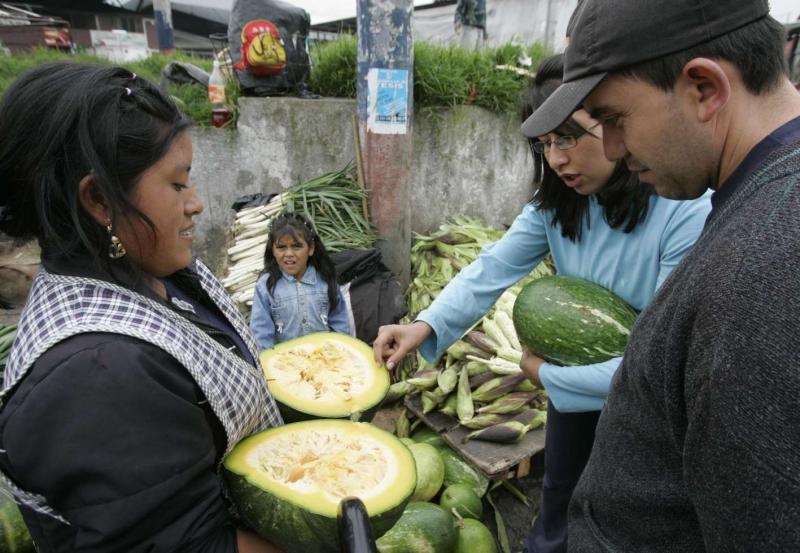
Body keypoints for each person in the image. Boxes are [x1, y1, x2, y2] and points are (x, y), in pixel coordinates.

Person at [374, 54, 710, 553]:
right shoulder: (557, 203)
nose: (556, 159)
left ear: (615, 125)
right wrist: (424, 326)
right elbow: (493, 268)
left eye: (568, 137)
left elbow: (653, 364)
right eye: (545, 144)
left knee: (625, 515)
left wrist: (547, 377)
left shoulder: (681, 211)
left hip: (644, 404)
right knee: (558, 494)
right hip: (576, 396)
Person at [521, 0, 800, 551]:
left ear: (704, 89)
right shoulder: (760, 207)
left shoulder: (761, 272)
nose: (615, 148)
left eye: (613, 119)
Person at [0, 62, 285, 552]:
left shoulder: (154, 270)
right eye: (177, 185)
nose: (196, 203)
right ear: (99, 200)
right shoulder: (96, 376)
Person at [250, 212, 352, 350]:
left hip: (325, 360)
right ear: (273, 250)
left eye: (296, 246)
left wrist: (342, 351)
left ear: (310, 249)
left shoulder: (325, 280)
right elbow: (261, 333)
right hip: (286, 363)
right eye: (281, 247)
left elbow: (340, 324)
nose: (289, 254)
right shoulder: (266, 286)